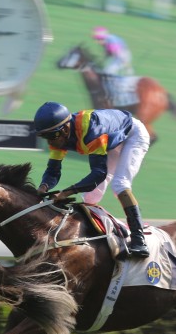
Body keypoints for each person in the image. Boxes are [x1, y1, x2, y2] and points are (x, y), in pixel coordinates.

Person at [33, 101, 150, 258]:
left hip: (133, 136)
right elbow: (53, 171)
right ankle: (107, 234)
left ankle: (139, 240)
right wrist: (44, 186)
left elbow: (98, 174)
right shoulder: (58, 137)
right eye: (45, 136)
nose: (50, 142)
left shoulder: (91, 131)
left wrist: (65, 193)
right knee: (90, 197)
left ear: (66, 128)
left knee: (120, 184)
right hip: (111, 140)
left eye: (52, 136)